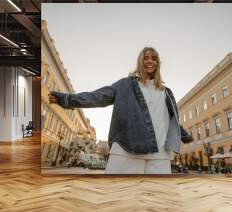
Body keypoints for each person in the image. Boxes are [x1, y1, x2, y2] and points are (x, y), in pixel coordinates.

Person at [48, 47, 193, 174]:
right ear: (140, 62)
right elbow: (98, 96)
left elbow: (170, 119)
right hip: (127, 150)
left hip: (161, 155)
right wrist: (67, 99)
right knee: (118, 197)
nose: (150, 61)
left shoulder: (166, 92)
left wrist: (184, 135)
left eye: (154, 58)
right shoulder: (125, 85)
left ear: (158, 63)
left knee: (158, 200)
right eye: (146, 58)